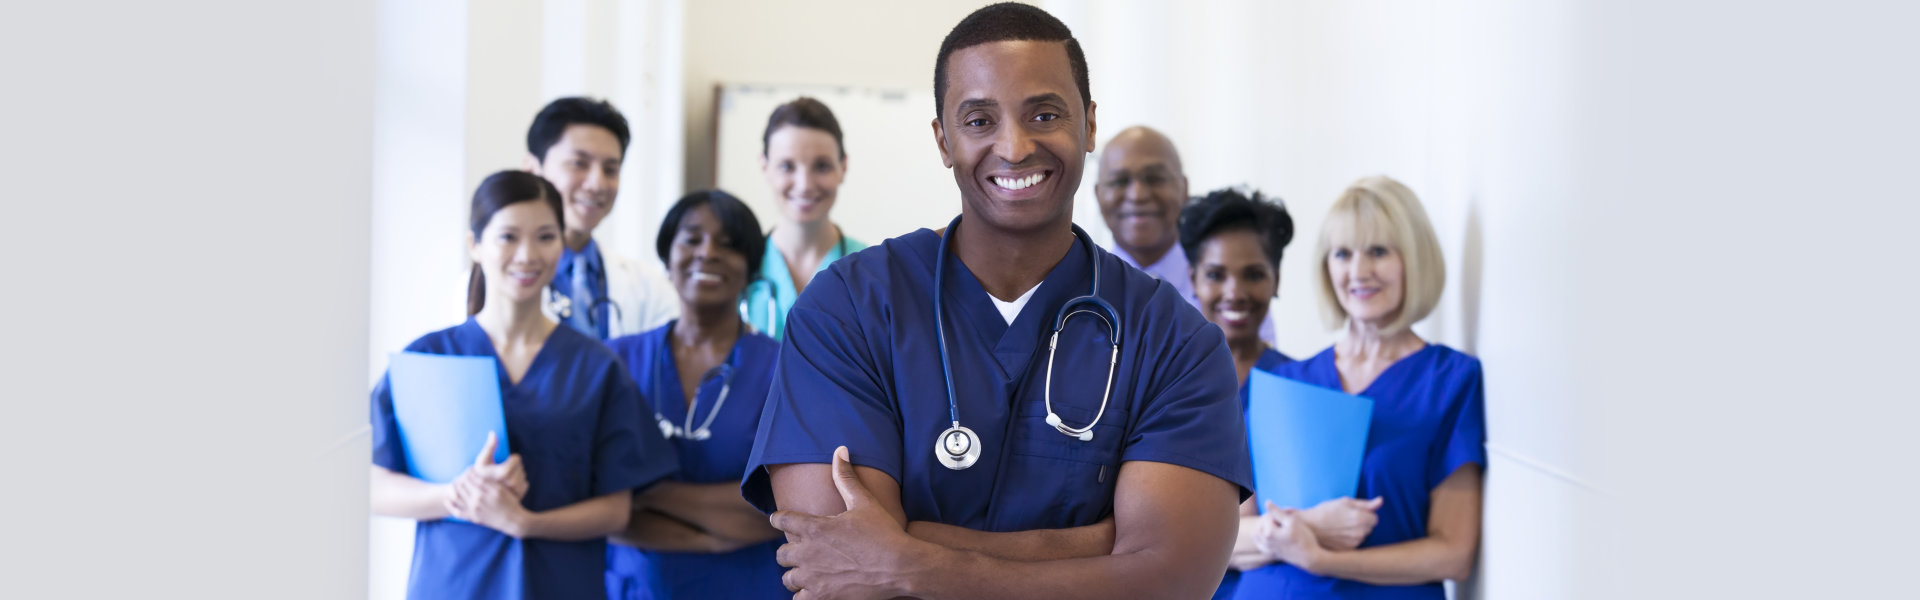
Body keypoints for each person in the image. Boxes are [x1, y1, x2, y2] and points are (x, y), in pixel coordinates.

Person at [742, 4, 1252, 598]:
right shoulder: (848, 308)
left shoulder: (1175, 340)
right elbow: (835, 561)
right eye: (979, 121)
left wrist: (905, 560)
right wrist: (1101, 544)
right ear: (943, 139)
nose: (1014, 147)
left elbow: (1170, 578)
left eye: (1044, 113)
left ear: (1088, 124)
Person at [368, 170, 678, 599]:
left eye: (546, 236)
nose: (528, 254)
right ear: (475, 245)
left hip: (558, 584)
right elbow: (373, 486)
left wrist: (524, 523)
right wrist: (460, 494)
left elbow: (615, 511)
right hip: (454, 583)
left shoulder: (596, 367)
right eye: (508, 237)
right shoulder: (429, 358)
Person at [1236, 175, 1486, 599]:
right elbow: (1225, 540)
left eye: (1378, 251)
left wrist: (1321, 558)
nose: (1358, 271)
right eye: (1342, 254)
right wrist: (1309, 527)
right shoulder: (1280, 385)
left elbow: (1453, 553)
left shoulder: (1449, 381)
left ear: (1414, 259)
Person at [603, 190, 787, 599]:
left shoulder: (784, 371)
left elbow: (779, 514)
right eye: (691, 239)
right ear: (667, 257)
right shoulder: (615, 360)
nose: (708, 253)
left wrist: (648, 493)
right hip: (635, 587)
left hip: (747, 587)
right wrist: (711, 536)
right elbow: (597, 507)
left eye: (729, 244)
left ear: (751, 268)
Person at [1095, 126, 1279, 343]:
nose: (1138, 195)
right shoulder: (1079, 287)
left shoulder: (1228, 289)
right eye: (1119, 181)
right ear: (1097, 194)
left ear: (1184, 188)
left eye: (1154, 178)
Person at [525, 97, 680, 340]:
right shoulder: (490, 282)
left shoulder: (650, 288)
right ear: (533, 169)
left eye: (610, 169)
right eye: (579, 164)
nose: (597, 184)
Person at [741, 97, 869, 340]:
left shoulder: (869, 271)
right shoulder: (742, 267)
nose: (805, 185)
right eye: (787, 166)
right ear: (764, 166)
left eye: (821, 166)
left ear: (843, 167)